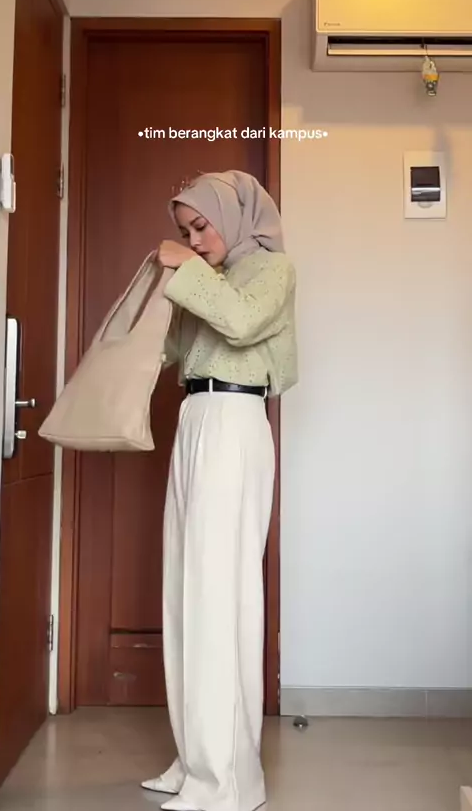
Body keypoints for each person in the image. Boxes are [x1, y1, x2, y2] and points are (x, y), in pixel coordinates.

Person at [141, 170, 298, 811]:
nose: (195, 240)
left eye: (201, 226)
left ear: (232, 217)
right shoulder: (210, 276)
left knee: (220, 594)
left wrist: (187, 271)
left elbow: (239, 323)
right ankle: (195, 761)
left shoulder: (271, 270)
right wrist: (155, 295)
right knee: (185, 590)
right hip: (196, 417)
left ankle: (229, 781)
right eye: (186, 232)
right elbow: (172, 352)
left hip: (235, 420)